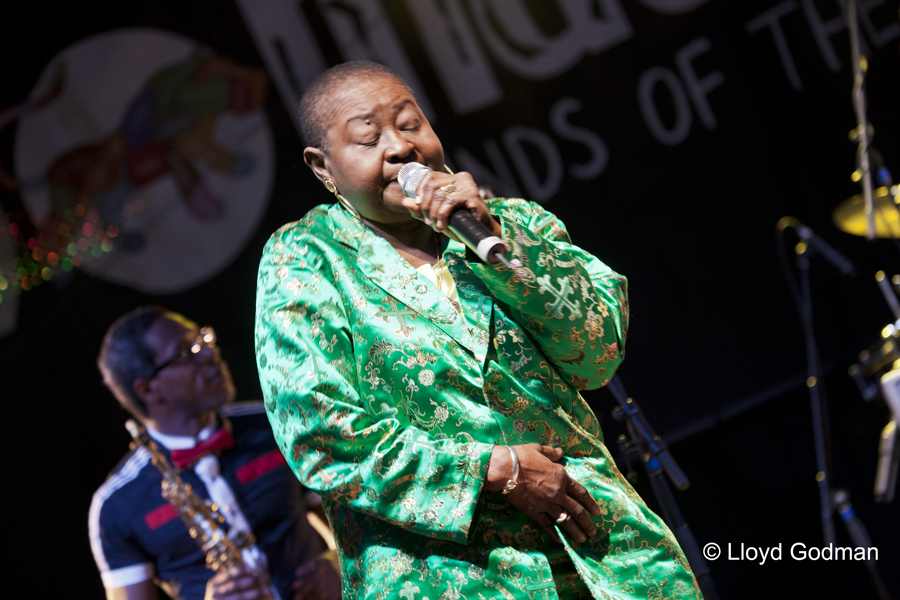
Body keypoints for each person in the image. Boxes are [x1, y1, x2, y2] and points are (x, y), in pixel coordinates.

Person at [254, 61, 702, 600]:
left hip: (603, 555)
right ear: (323, 167)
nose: (400, 148)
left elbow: (597, 353)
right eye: (368, 139)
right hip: (443, 577)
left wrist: (500, 245)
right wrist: (493, 469)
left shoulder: (512, 223)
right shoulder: (304, 258)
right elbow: (320, 436)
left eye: (410, 123)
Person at [90, 307, 341, 600]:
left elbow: (359, 524)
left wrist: (337, 565)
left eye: (204, 340)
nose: (210, 354)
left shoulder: (278, 425)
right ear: (148, 390)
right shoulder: (116, 506)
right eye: (186, 352)